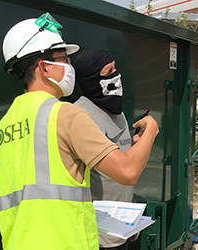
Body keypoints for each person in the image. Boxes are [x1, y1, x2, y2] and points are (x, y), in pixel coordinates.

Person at [0, 13, 158, 250]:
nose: (69, 67)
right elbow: (127, 171)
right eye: (64, 59)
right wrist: (151, 130)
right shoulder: (65, 115)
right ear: (44, 68)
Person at [73, 49, 135, 250]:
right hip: (96, 236)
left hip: (122, 227)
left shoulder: (117, 111)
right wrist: (150, 134)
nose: (116, 75)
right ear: (91, 80)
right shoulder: (80, 116)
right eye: (108, 71)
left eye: (115, 68)